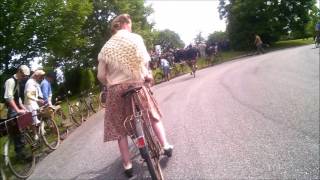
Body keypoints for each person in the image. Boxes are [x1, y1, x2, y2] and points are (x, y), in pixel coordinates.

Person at [97, 14, 173, 178]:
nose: (131, 27)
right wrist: (146, 75)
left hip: (117, 90)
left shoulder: (106, 48)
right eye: (130, 24)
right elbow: (144, 62)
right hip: (137, 84)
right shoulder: (135, 38)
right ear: (125, 24)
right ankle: (165, 145)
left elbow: (101, 75)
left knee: (120, 129)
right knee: (152, 115)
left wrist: (110, 83)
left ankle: (127, 164)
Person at [3, 65, 30, 157]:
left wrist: (23, 108)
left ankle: (24, 147)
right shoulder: (10, 81)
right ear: (19, 71)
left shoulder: (18, 82)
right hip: (11, 110)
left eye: (26, 76)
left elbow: (17, 98)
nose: (24, 78)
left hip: (16, 108)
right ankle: (21, 154)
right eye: (23, 76)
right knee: (18, 131)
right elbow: (8, 98)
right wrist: (18, 109)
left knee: (24, 126)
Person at [24, 69, 45, 140]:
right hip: (30, 104)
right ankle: (35, 135)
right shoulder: (30, 82)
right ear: (36, 76)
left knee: (38, 118)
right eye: (41, 77)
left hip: (33, 103)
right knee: (33, 121)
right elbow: (28, 95)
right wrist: (38, 100)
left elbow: (35, 93)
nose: (42, 78)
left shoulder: (34, 82)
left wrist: (38, 99)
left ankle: (39, 134)